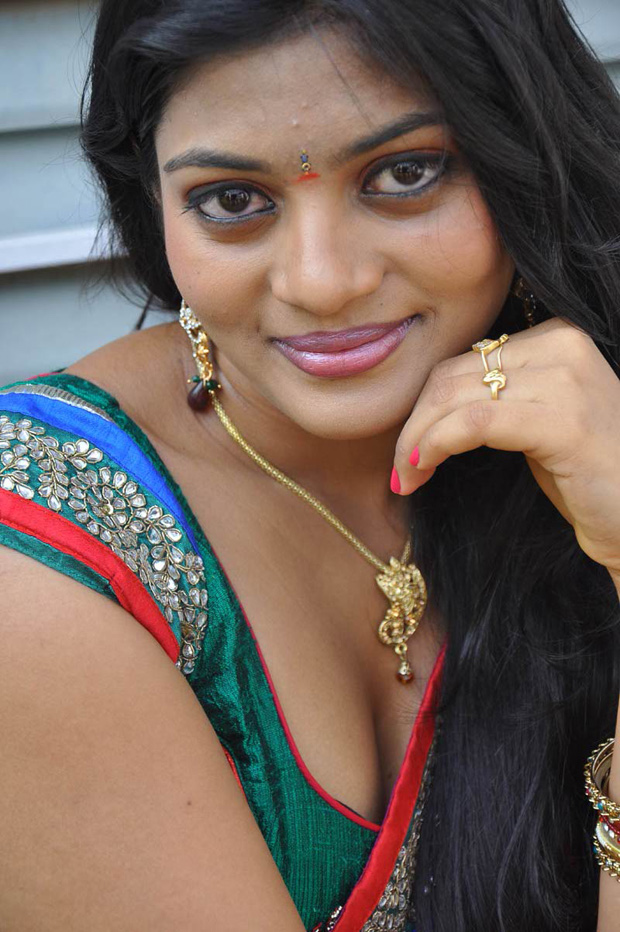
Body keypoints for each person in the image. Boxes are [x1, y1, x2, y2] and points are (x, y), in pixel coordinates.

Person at [1, 0, 619, 929]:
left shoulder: (592, 417)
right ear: (151, 203)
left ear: (524, 158)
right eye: (231, 201)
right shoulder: (38, 586)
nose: (322, 283)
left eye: (404, 174)